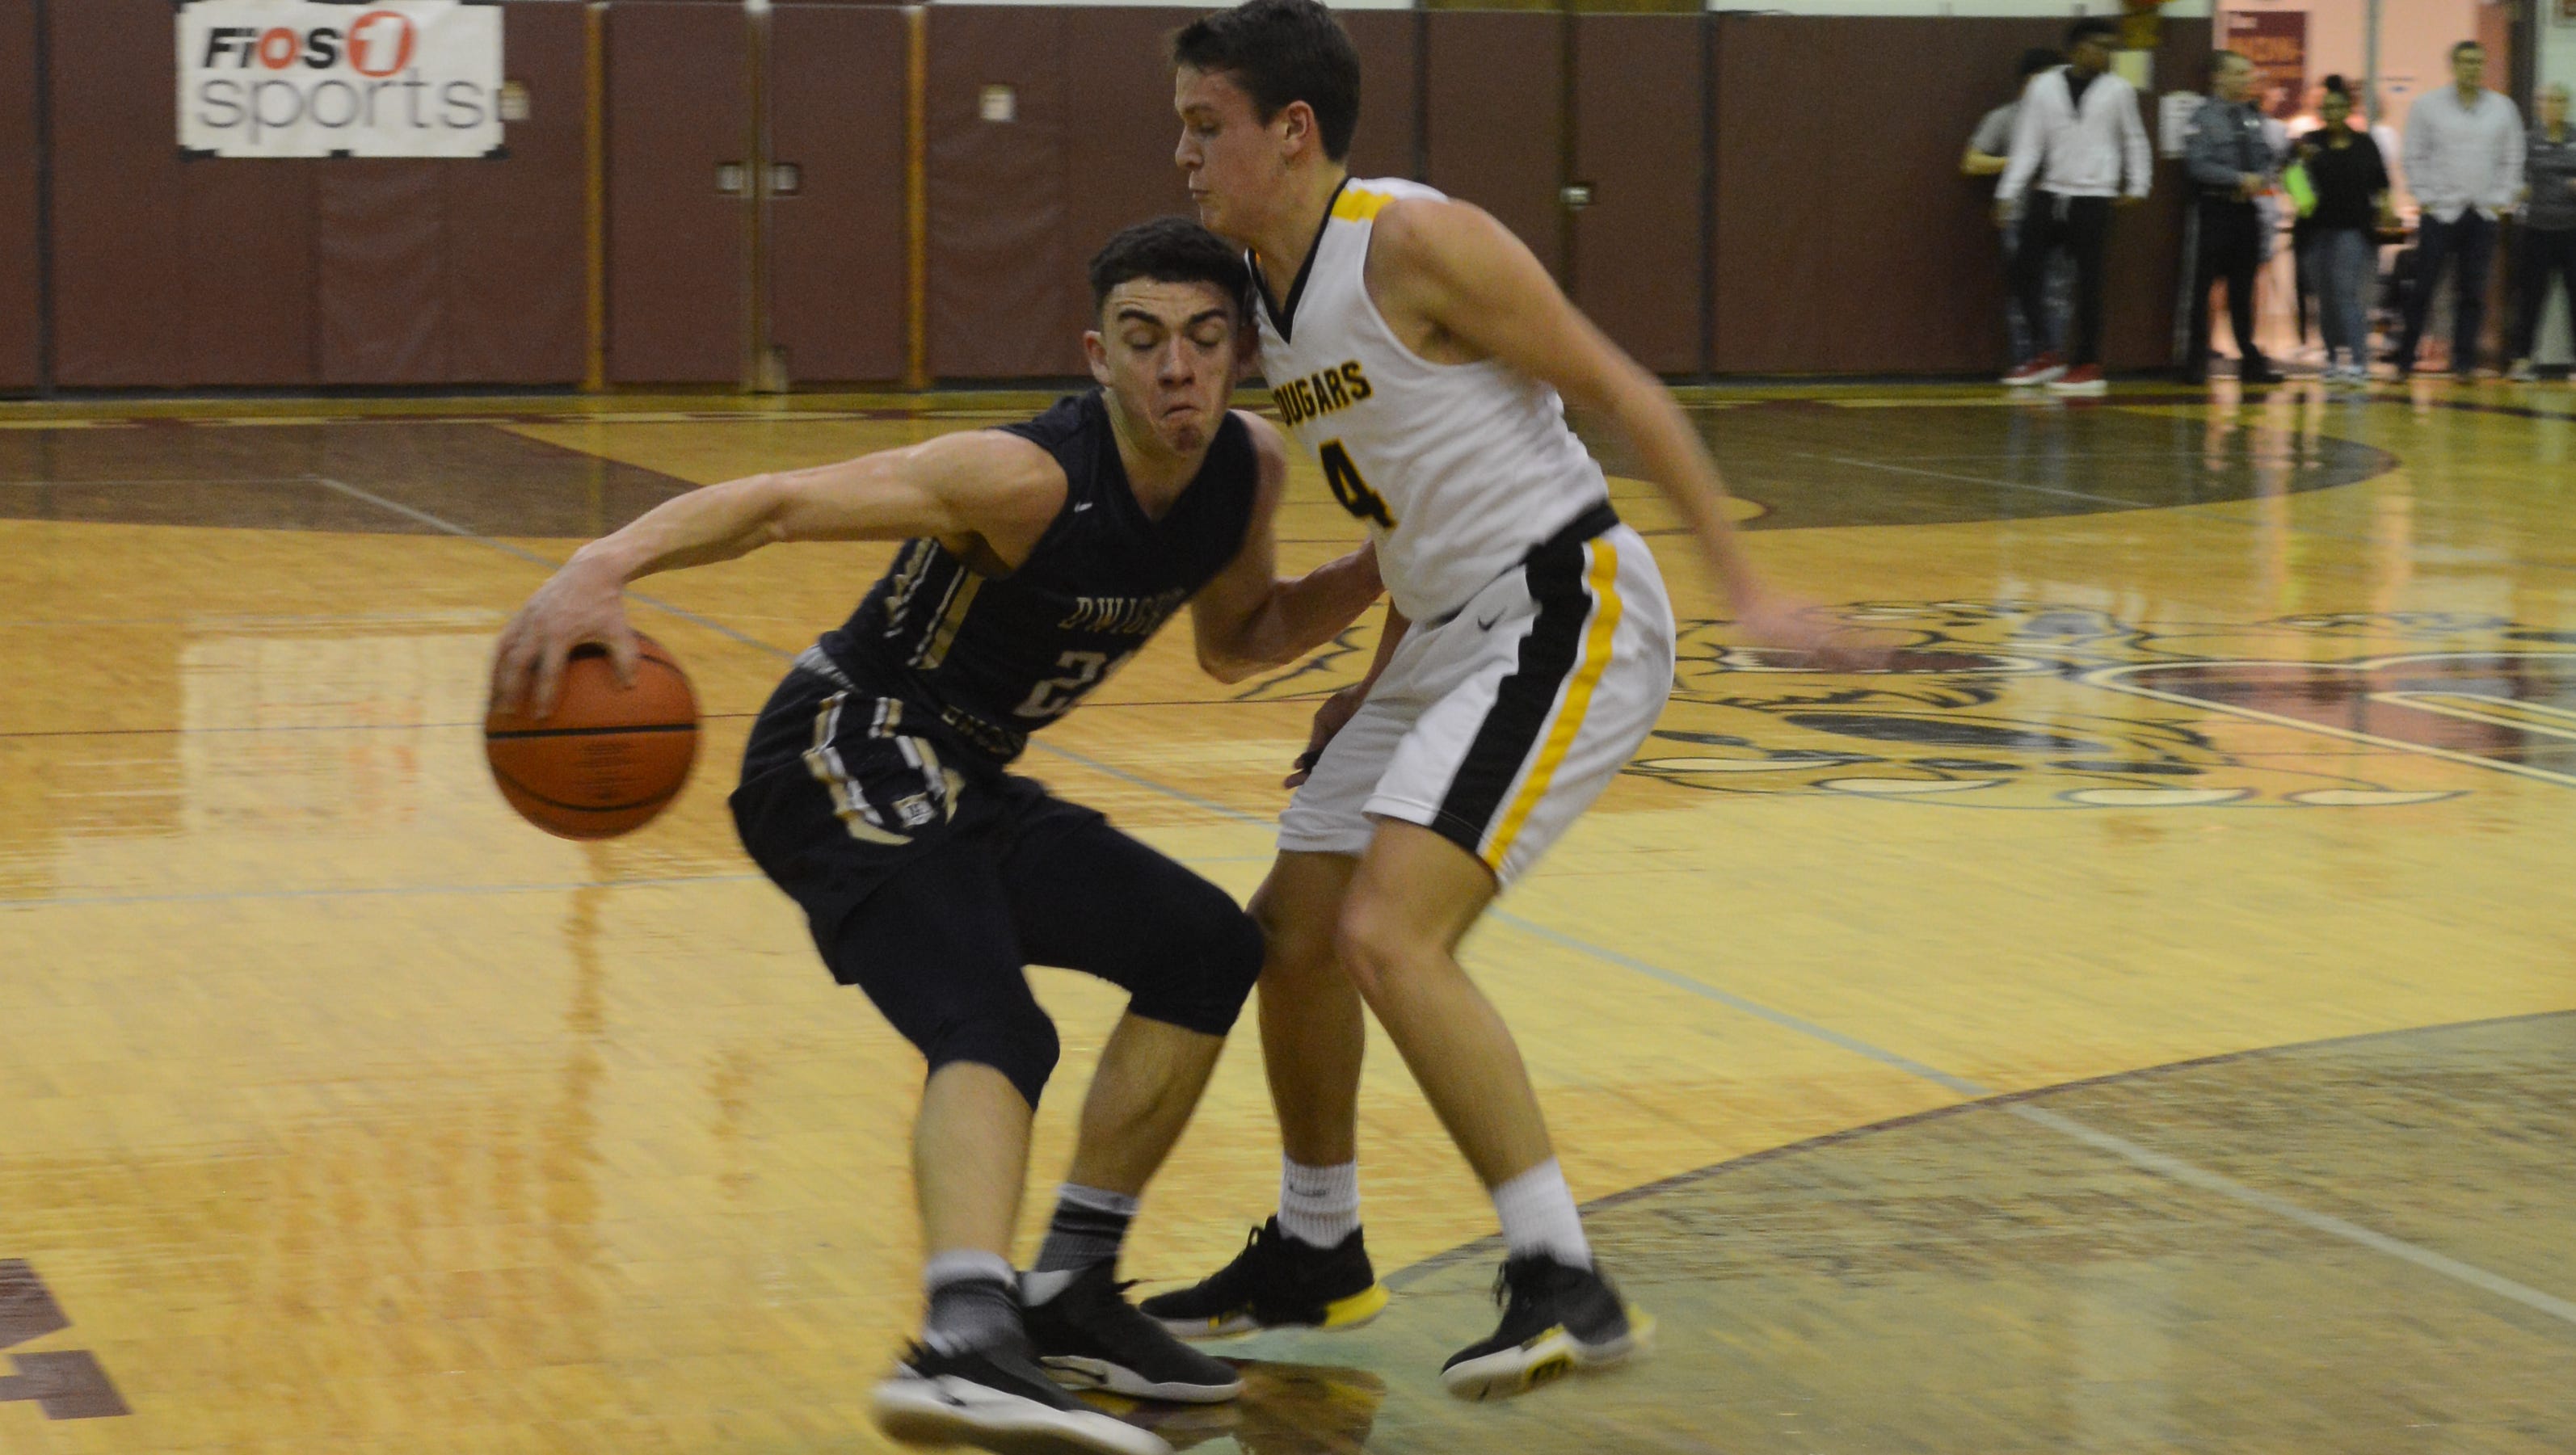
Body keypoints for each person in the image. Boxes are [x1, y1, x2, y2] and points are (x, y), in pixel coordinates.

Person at [488, 218, 1387, 1455]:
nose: (1175, 367)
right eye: (1143, 341)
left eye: (1202, 338)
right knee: (994, 1023)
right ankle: (963, 1338)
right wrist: (604, 561)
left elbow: (1239, 640)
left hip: (965, 773)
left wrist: (1381, 562)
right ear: (1099, 356)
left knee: (1203, 949)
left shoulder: (1247, 471)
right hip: (841, 746)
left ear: (1239, 353)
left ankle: (1067, 1290)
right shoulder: (1022, 477)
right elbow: (782, 502)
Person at [1143, 0, 1877, 1403]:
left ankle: (1562, 1276)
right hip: (1439, 630)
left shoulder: (1413, 241)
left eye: (1202, 126)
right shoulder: (1265, 300)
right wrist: (1365, 688)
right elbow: (1412, 508)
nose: (1181, 155)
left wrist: (1750, 590)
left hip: (1560, 604)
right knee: (1290, 934)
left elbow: (1620, 388)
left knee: (1386, 933)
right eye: (1179, 126)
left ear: (1289, 133)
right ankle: (1315, 1245)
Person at [1995, 18, 2153, 396]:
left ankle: (2088, 364)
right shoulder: (2045, 88)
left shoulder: (2118, 91)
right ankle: (2046, 354)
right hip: (2050, 193)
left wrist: (2138, 184)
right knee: (2022, 271)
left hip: (2094, 197)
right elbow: (2028, 144)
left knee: (2090, 282)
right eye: (2099, 46)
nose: (2107, 55)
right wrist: (2008, 192)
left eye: (2111, 48)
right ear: (2076, 49)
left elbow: (2134, 139)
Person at [2396, 41, 2526, 381]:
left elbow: (2514, 157)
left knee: (2473, 292)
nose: (2473, 68)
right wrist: (2425, 197)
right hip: (2440, 213)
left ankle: (2464, 362)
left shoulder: (2503, 108)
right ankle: (2405, 358)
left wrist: (2502, 198)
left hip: (2482, 213)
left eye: (2479, 62)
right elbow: (2414, 155)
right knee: (2423, 287)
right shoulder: (2428, 106)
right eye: (2466, 62)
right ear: (2453, 65)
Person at [2184, 52, 2288, 385]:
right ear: (2219, 77)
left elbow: (2266, 159)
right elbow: (2197, 165)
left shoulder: (2252, 117)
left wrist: (2264, 176)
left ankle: (2250, 360)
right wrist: (2239, 179)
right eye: (2240, 74)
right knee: (2202, 289)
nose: (2248, 80)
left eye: (2249, 74)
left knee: (2243, 289)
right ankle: (2196, 360)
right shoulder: (2203, 117)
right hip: (2215, 211)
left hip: (2247, 213)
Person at [1964, 46, 2067, 380]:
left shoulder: (2069, 122)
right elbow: (1971, 161)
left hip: (2059, 216)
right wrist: (2017, 163)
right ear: (2028, 82)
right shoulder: (2005, 118)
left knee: (2057, 292)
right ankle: (2026, 359)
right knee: (2023, 291)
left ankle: (2052, 359)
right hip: (2019, 216)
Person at [2296, 79, 2396, 384]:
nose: (2333, 112)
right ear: (2321, 111)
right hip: (2315, 230)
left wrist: (2386, 211)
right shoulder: (2309, 142)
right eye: (2327, 108)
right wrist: (2305, 201)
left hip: (2352, 229)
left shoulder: (2365, 143)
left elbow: (2382, 183)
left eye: (2339, 107)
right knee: (2324, 298)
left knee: (2345, 294)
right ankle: (2331, 359)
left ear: (2349, 110)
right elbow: (2291, 177)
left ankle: (2358, 360)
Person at [2507, 83, 2576, 384]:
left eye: (2560, 100)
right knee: (2531, 297)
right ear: (2540, 105)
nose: (2555, 105)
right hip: (2536, 229)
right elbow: (2517, 181)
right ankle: (2522, 360)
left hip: (2571, 229)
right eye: (2549, 100)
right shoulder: (2528, 141)